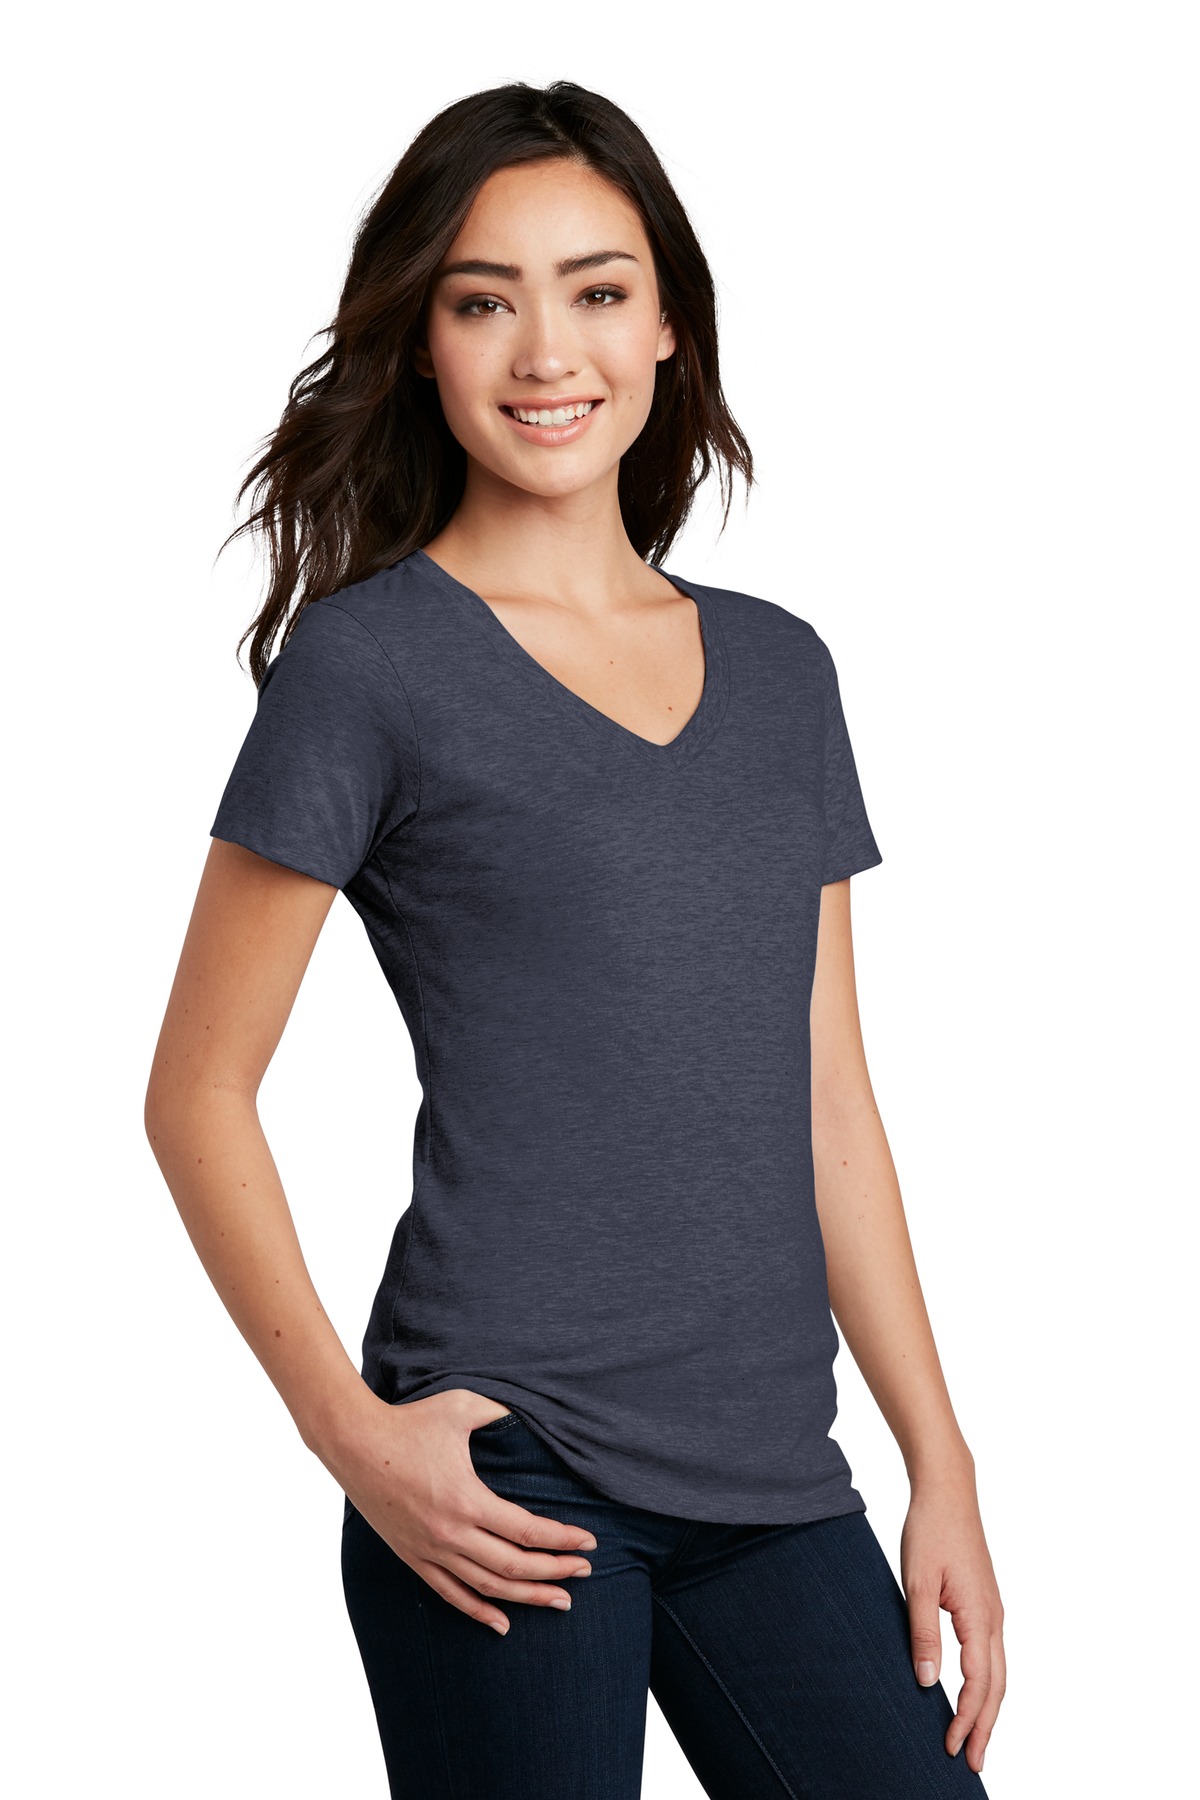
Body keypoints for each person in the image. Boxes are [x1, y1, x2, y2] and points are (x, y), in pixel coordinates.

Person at [145, 79, 1005, 1799]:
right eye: (484, 302)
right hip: (505, 1478)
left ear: (667, 322)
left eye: (597, 291)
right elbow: (196, 1092)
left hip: (777, 1480)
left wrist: (944, 1463)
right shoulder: (369, 668)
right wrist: (352, 1438)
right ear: (421, 345)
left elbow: (828, 1098)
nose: (547, 351)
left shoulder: (783, 672)